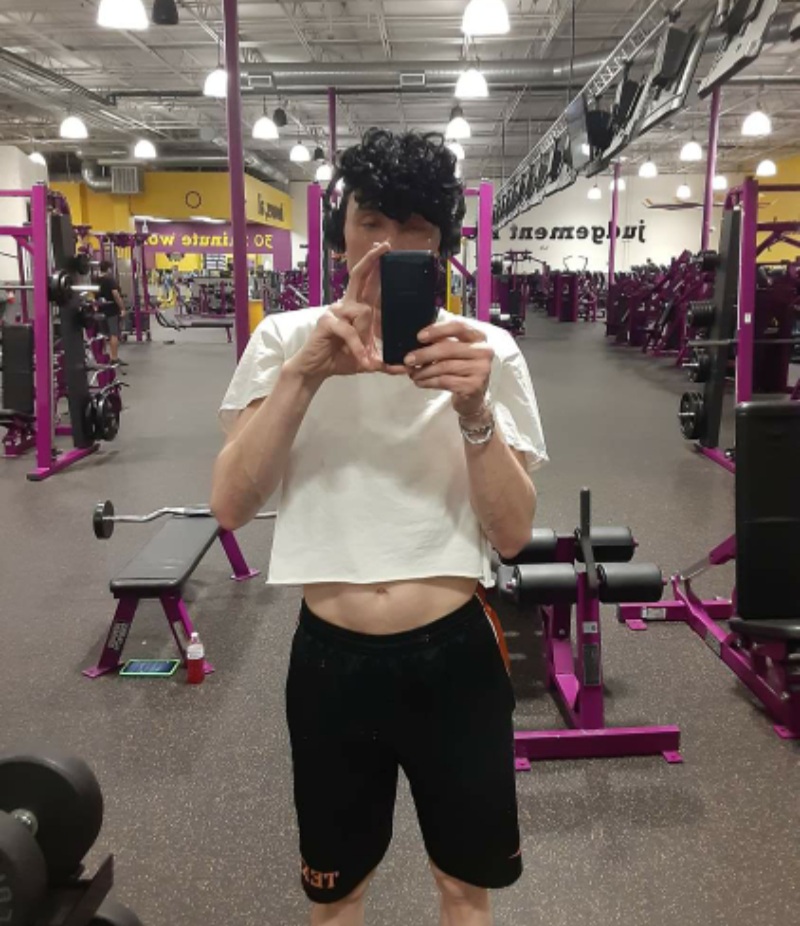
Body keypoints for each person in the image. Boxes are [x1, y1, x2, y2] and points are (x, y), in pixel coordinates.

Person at [211, 128, 547, 926]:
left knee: (464, 889)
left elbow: (512, 535)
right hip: (331, 662)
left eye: (414, 227)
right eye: (370, 222)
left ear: (442, 248)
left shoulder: (488, 352)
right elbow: (231, 506)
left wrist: (474, 410)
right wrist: (305, 376)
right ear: (340, 235)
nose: (388, 244)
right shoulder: (283, 340)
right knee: (338, 894)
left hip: (456, 657)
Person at [97, 260, 127, 366]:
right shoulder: (109, 280)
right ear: (109, 269)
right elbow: (116, 295)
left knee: (103, 335)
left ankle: (103, 357)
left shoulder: (95, 280)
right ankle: (114, 358)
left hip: (100, 310)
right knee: (114, 334)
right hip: (111, 311)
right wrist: (122, 308)